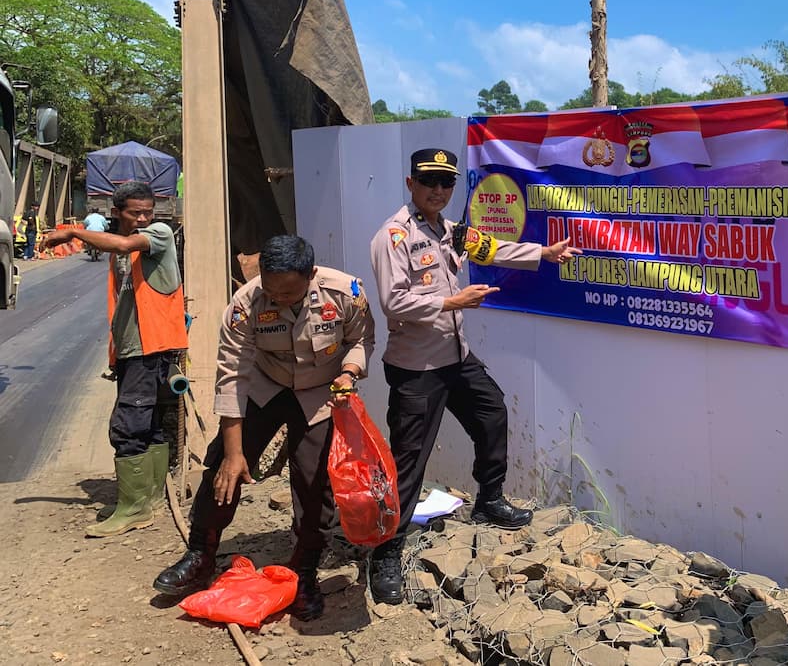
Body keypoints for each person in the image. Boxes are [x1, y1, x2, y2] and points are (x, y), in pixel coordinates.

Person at [366, 148, 578, 604]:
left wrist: (543, 252)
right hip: (416, 367)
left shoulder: (450, 230)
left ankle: (489, 498)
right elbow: (393, 302)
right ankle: (385, 554)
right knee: (409, 462)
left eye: (446, 183)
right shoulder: (394, 236)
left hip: (455, 356)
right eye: (430, 182)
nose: (439, 191)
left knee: (492, 412)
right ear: (411, 184)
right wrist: (451, 303)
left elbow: (492, 246)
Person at [151, 235, 375, 622]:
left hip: (320, 391)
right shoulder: (246, 303)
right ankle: (200, 553)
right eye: (271, 290)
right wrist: (236, 454)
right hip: (265, 386)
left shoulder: (346, 292)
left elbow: (361, 340)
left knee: (313, 477)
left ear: (311, 275)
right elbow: (233, 377)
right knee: (224, 467)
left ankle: (303, 570)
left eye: (288, 292)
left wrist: (349, 373)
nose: (278, 298)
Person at [41, 182, 188, 537]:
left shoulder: (159, 234)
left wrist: (72, 232)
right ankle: (148, 499)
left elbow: (122, 242)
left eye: (148, 211)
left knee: (127, 426)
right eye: (134, 212)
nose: (143, 218)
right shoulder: (120, 252)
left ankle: (134, 508)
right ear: (117, 213)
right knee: (148, 421)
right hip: (135, 349)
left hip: (150, 348)